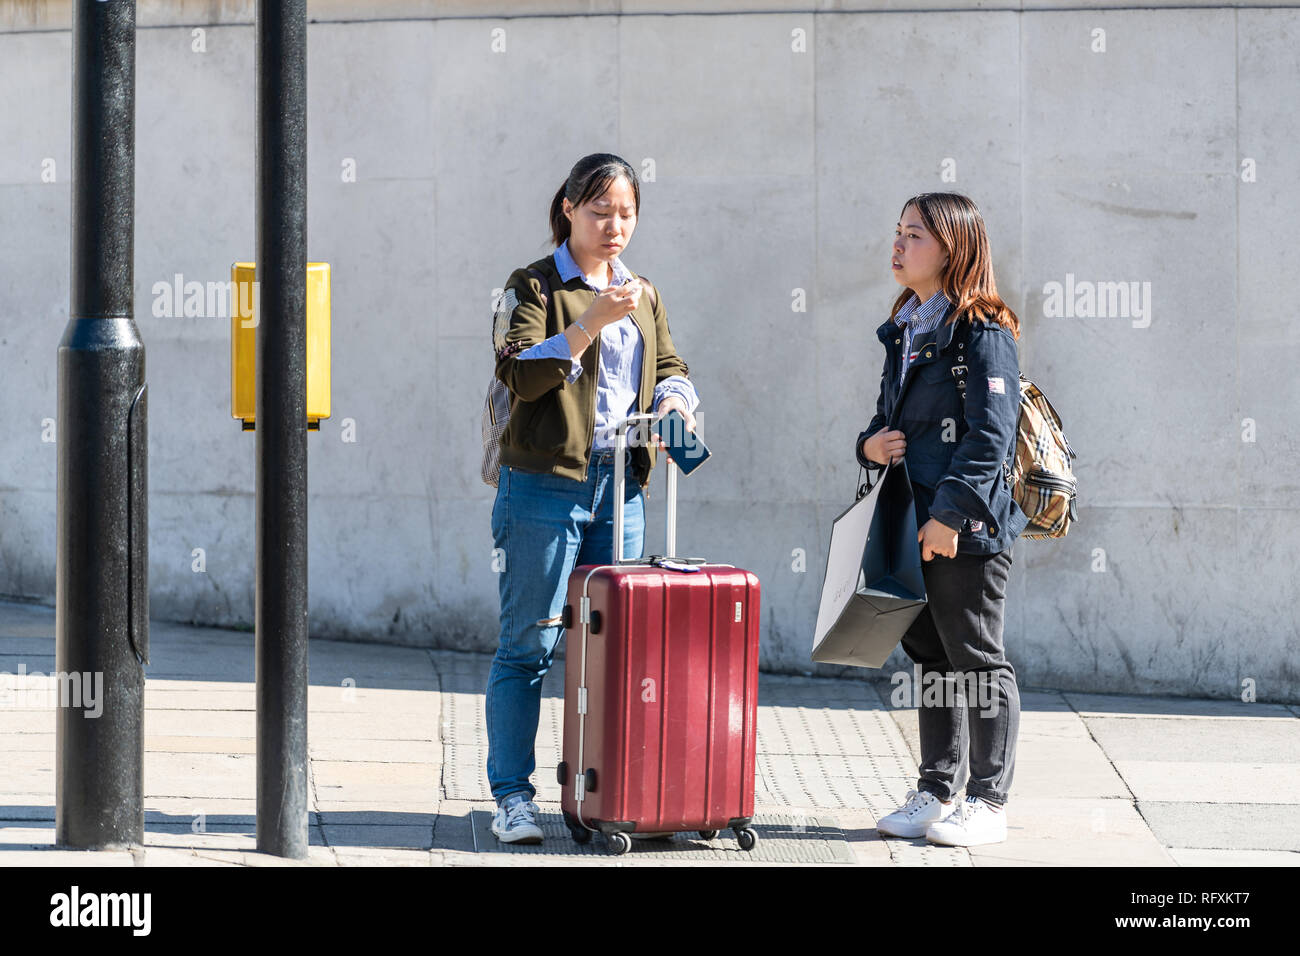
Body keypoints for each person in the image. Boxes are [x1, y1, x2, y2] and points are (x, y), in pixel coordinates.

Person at [486, 153, 700, 844]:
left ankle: (611, 792)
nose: (615, 226)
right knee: (530, 645)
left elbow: (668, 364)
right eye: (601, 211)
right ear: (570, 209)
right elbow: (520, 375)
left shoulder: (644, 292)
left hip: (623, 488)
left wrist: (675, 403)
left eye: (627, 213)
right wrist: (591, 321)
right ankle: (513, 796)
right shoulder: (534, 284)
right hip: (546, 486)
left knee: (617, 649)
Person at [857, 192, 1029, 847]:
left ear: (953, 248)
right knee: (928, 656)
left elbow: (992, 433)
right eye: (898, 232)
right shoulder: (906, 325)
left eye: (915, 236)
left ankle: (988, 801)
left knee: (978, 659)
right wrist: (869, 445)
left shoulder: (982, 328)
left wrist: (952, 515)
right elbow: (884, 418)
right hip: (913, 522)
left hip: (966, 527)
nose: (898, 245)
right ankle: (935, 790)